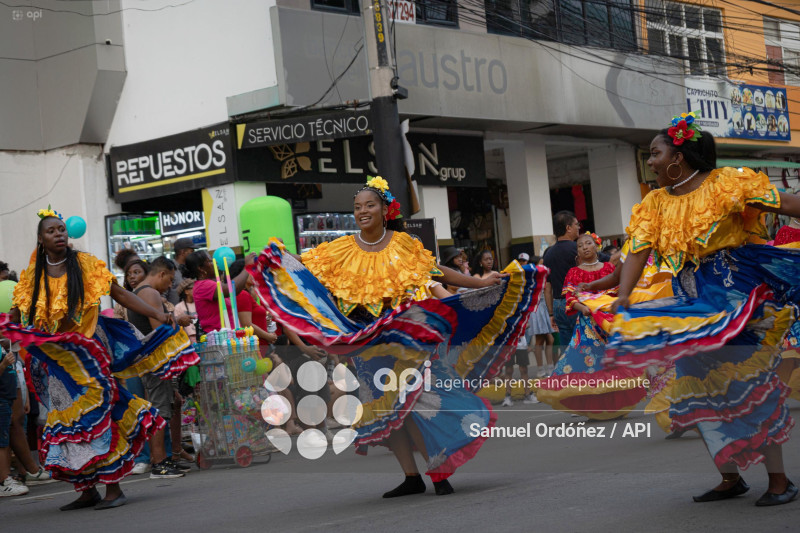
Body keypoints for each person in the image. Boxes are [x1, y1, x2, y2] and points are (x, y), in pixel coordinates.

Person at [250, 176, 545, 498]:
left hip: (406, 338)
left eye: (369, 205)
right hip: (366, 343)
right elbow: (305, 273)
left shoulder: (403, 244)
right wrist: (272, 261)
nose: (363, 211)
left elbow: (436, 272)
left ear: (385, 210)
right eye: (357, 207)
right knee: (389, 410)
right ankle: (411, 476)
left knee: (416, 404)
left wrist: (479, 284)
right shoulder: (339, 250)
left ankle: (437, 472)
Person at [608, 112, 799, 506]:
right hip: (692, 307)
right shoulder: (655, 203)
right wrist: (620, 293)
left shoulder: (726, 183)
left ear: (679, 157)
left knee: (748, 384)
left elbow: (789, 204)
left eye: (655, 153)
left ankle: (780, 480)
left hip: (735, 301)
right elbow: (637, 252)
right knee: (700, 390)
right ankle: (729, 477)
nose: (650, 161)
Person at [0, 210, 198, 510]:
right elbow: (18, 314)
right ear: (41, 238)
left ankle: (113, 488)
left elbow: (120, 294)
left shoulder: (85, 264)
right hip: (59, 364)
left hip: (90, 355)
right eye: (52, 230)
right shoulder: (31, 276)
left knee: (99, 418)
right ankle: (87, 489)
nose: (59, 234)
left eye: (62, 229)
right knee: (72, 425)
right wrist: (9, 325)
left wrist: (158, 313)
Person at [536, 233, 647, 419]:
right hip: (588, 326)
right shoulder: (574, 272)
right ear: (577, 251)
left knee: (613, 364)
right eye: (580, 246)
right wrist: (583, 308)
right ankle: (595, 408)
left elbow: (621, 292)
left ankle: (615, 405)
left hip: (611, 323)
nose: (585, 247)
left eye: (588, 243)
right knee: (591, 365)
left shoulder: (610, 269)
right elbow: (569, 299)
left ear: (596, 246)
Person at [127, 257, 192, 480]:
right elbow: (159, 329)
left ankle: (164, 460)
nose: (171, 286)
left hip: (151, 360)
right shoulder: (150, 293)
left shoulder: (142, 293)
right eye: (170, 280)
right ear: (162, 274)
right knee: (159, 410)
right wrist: (177, 321)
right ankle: (159, 464)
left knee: (168, 405)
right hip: (154, 360)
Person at [543, 211, 580, 355]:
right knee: (584, 343)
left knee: (567, 348)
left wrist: (551, 313)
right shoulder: (577, 249)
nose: (579, 227)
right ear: (568, 228)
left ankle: (570, 374)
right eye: (576, 224)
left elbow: (547, 287)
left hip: (558, 305)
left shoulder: (548, 254)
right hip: (576, 303)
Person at [0, 342, 28, 497]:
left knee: (3, 442)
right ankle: (4, 481)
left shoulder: (4, 348)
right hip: (1, 400)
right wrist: (4, 363)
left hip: (6, 400)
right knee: (2, 444)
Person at [165, 237, 195, 305]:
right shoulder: (169, 268)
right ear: (182, 252)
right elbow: (163, 296)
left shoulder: (190, 268)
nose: (193, 254)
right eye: (192, 251)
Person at [173, 279, 198, 344]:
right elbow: (178, 326)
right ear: (186, 291)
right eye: (194, 288)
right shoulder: (178, 307)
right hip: (187, 339)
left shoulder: (199, 303)